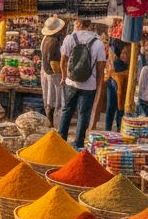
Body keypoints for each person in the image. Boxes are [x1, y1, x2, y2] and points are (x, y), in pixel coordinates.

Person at [58, 17, 107, 149]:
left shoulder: (69, 39)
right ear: (89, 25)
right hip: (89, 85)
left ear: (78, 23)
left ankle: (61, 142)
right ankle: (78, 145)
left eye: (75, 22)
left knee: (67, 111)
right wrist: (98, 86)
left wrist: (63, 76)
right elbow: (101, 68)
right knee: (83, 115)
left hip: (70, 82)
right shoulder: (98, 43)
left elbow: (62, 61)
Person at [40, 17, 66, 127]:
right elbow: (54, 61)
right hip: (53, 73)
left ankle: (50, 121)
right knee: (55, 100)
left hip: (46, 72)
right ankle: (52, 123)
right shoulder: (54, 41)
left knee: (49, 98)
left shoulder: (45, 39)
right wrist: (63, 74)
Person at [105, 40, 131, 132]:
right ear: (119, 53)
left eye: (127, 53)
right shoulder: (119, 65)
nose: (126, 56)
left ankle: (110, 130)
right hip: (114, 83)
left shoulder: (116, 65)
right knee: (117, 108)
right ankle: (117, 129)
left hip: (112, 81)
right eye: (123, 53)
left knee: (112, 108)